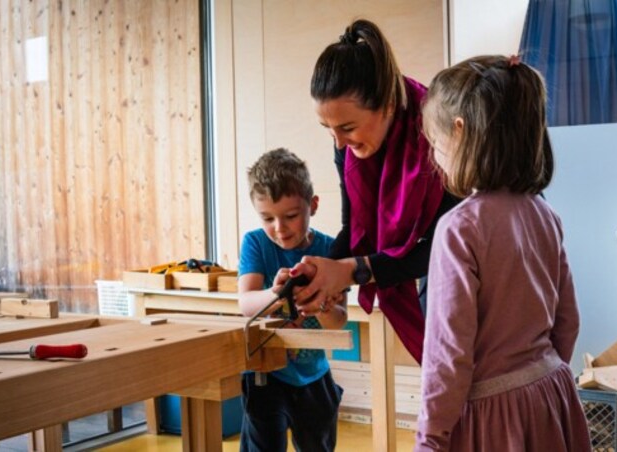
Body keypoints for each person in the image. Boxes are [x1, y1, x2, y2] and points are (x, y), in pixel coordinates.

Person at [414, 55, 591, 451]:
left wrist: (431, 438)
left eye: (435, 144)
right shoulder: (545, 214)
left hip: (493, 416)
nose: (435, 157)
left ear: (459, 132)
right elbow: (568, 321)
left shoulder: (460, 228)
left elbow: (449, 354)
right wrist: (540, 375)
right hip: (551, 392)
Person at [291, 19, 460, 364]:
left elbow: (448, 246)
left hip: (468, 268)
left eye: (347, 128)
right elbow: (355, 231)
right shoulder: (348, 146)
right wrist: (312, 273)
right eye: (328, 129)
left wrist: (354, 270)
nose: (339, 144)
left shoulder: (438, 135)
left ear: (386, 105)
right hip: (422, 268)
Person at [237, 148, 346, 452]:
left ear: (313, 205)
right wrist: (274, 294)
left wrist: (321, 304)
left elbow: (339, 319)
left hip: (314, 376)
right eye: (267, 218)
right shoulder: (255, 243)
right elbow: (245, 303)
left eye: (291, 216)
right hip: (264, 376)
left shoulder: (331, 249)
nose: (280, 228)